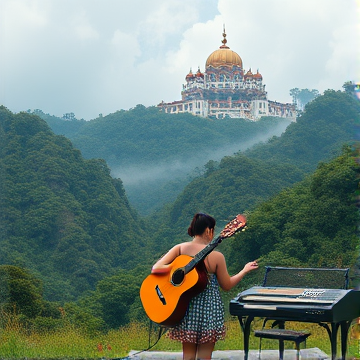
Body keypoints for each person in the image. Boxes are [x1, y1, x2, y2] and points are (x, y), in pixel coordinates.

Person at [151, 212, 259, 360]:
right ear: (209, 230)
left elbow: (156, 268)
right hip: (209, 310)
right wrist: (244, 270)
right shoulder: (216, 257)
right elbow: (227, 285)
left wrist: (177, 271)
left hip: (186, 308)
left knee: (187, 356)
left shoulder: (180, 249)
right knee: (204, 356)